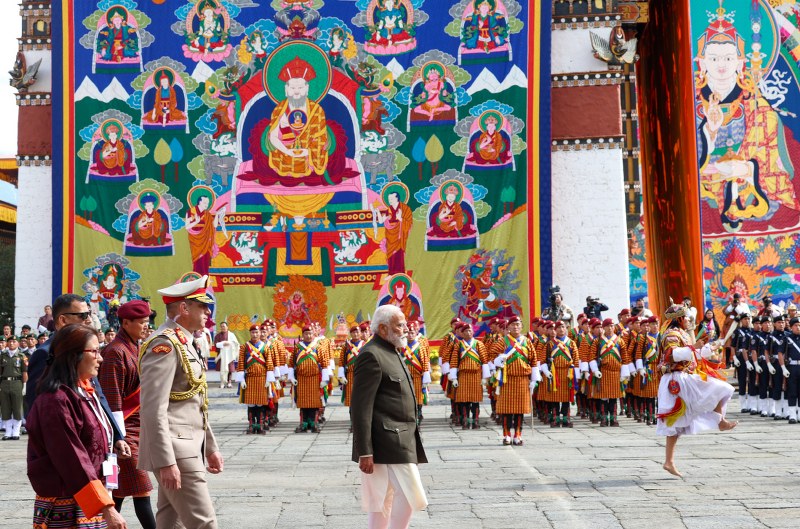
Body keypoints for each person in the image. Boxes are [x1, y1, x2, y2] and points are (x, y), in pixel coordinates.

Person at [138, 275, 223, 529]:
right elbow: (154, 408)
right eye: (201, 305)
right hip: (177, 450)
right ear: (184, 309)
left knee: (169, 522)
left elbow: (195, 399)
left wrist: (210, 446)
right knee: (204, 523)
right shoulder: (164, 344)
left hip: (187, 445)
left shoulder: (185, 341)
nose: (208, 311)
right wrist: (165, 461)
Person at [27, 324, 128, 529]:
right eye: (94, 351)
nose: (100, 358)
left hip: (91, 495)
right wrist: (107, 507)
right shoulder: (56, 400)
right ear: (73, 355)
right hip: (69, 501)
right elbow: (72, 457)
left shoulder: (84, 390)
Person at [351, 305, 428, 529]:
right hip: (387, 441)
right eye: (400, 325)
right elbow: (361, 407)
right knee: (410, 494)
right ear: (383, 328)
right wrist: (365, 450)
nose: (406, 328)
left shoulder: (391, 350)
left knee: (384, 498)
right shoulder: (371, 355)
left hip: (401, 438)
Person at [657, 304, 737, 477]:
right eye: (685, 317)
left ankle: (669, 461)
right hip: (676, 380)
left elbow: (692, 355)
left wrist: (710, 348)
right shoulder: (671, 334)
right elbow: (672, 355)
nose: (688, 320)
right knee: (675, 422)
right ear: (678, 319)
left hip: (685, 377)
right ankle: (719, 421)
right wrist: (695, 346)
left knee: (722, 389)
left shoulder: (683, 334)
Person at [98, 300, 156, 529]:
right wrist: (118, 438)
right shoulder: (114, 352)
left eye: (147, 322)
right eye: (141, 322)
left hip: (138, 429)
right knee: (142, 490)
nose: (146, 326)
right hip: (123, 434)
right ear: (125, 322)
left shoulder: (135, 347)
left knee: (118, 493)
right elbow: (112, 400)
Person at [490, 315, 540, 445]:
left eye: (518, 324)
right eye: (513, 325)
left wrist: (534, 379)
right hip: (506, 379)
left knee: (519, 409)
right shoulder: (502, 341)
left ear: (522, 326)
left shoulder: (527, 341)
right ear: (508, 327)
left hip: (522, 379)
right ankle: (506, 434)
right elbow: (491, 356)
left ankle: (518, 434)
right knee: (506, 409)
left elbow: (534, 360)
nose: (515, 327)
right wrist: (499, 359)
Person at [447, 322, 490, 429]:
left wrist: (485, 377)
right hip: (463, 375)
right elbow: (454, 362)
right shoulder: (458, 345)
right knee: (464, 400)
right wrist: (454, 378)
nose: (468, 332)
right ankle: (465, 420)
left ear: (473, 331)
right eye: (466, 331)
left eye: (470, 330)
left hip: (476, 375)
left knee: (475, 400)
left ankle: (475, 421)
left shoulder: (479, 344)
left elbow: (484, 361)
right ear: (462, 333)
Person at [287, 326, 330, 433]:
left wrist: (324, 379)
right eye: (306, 334)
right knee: (303, 402)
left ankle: (313, 422)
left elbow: (325, 364)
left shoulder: (318, 347)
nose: (308, 336)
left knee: (314, 402)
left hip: (315, 379)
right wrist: (291, 377)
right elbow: (291, 363)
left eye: (310, 333)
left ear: (313, 334)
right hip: (301, 379)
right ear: (303, 335)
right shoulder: (297, 347)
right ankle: (303, 423)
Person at [236, 324, 274, 434]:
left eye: (257, 332)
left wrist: (269, 380)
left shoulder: (265, 347)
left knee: (261, 403)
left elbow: (269, 363)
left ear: (259, 333)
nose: (255, 334)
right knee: (251, 403)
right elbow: (241, 364)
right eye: (253, 332)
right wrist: (242, 380)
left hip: (262, 378)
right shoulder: (244, 347)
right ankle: (252, 425)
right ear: (250, 333)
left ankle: (260, 425)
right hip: (250, 379)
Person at [0, 336, 27, 440]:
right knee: (5, 407)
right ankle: (8, 431)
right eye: (10, 341)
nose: (11, 343)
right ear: (7, 343)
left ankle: (16, 432)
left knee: (17, 407)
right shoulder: (3, 356)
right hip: (5, 382)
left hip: (17, 382)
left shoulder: (21, 356)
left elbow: (24, 372)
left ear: (18, 343)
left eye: (14, 342)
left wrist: (25, 385)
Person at [213, 321, 239, 388]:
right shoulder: (218, 336)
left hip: (230, 354)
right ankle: (222, 382)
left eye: (224, 326)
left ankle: (229, 382)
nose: (223, 328)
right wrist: (222, 344)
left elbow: (236, 343)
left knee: (230, 369)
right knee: (223, 369)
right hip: (222, 355)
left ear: (227, 327)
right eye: (221, 326)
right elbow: (215, 344)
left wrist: (229, 344)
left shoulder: (231, 335)